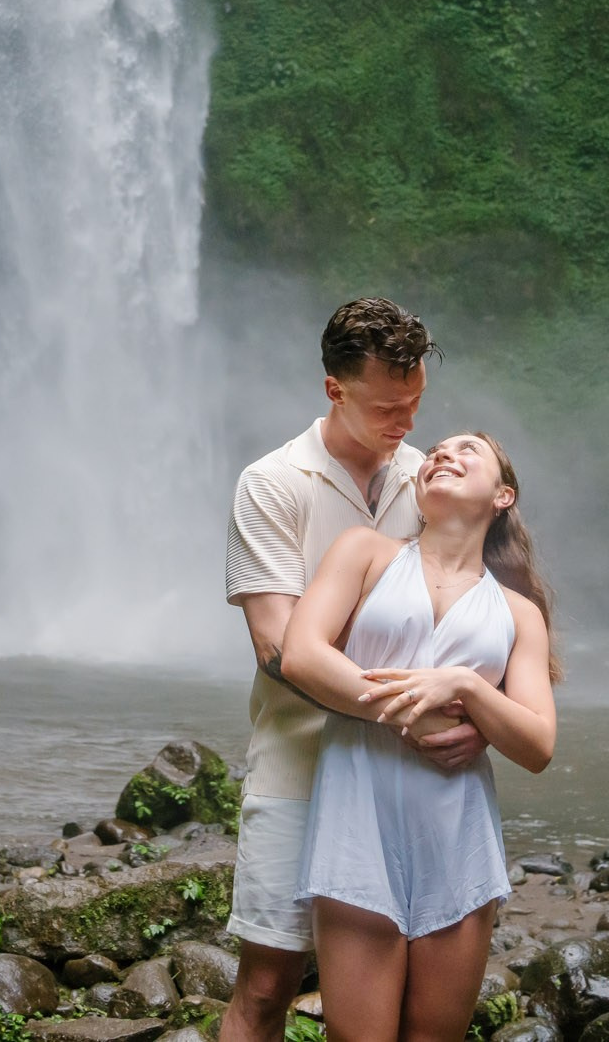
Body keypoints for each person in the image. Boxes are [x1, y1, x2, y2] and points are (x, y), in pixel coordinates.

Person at [221, 299, 489, 1042]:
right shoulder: (275, 482)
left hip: (402, 782)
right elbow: (277, 649)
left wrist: (483, 720)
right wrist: (413, 708)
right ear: (335, 388)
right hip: (300, 763)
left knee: (396, 1002)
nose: (406, 423)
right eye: (386, 407)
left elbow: (483, 619)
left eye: (416, 403)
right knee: (269, 984)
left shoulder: (433, 479)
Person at [282, 431, 559, 1042]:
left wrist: (469, 687)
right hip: (358, 822)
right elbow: (300, 654)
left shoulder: (520, 613)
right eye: (436, 450)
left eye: (468, 451)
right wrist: (422, 714)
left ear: (503, 495)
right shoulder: (366, 553)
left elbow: (538, 744)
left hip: (458, 836)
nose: (443, 454)